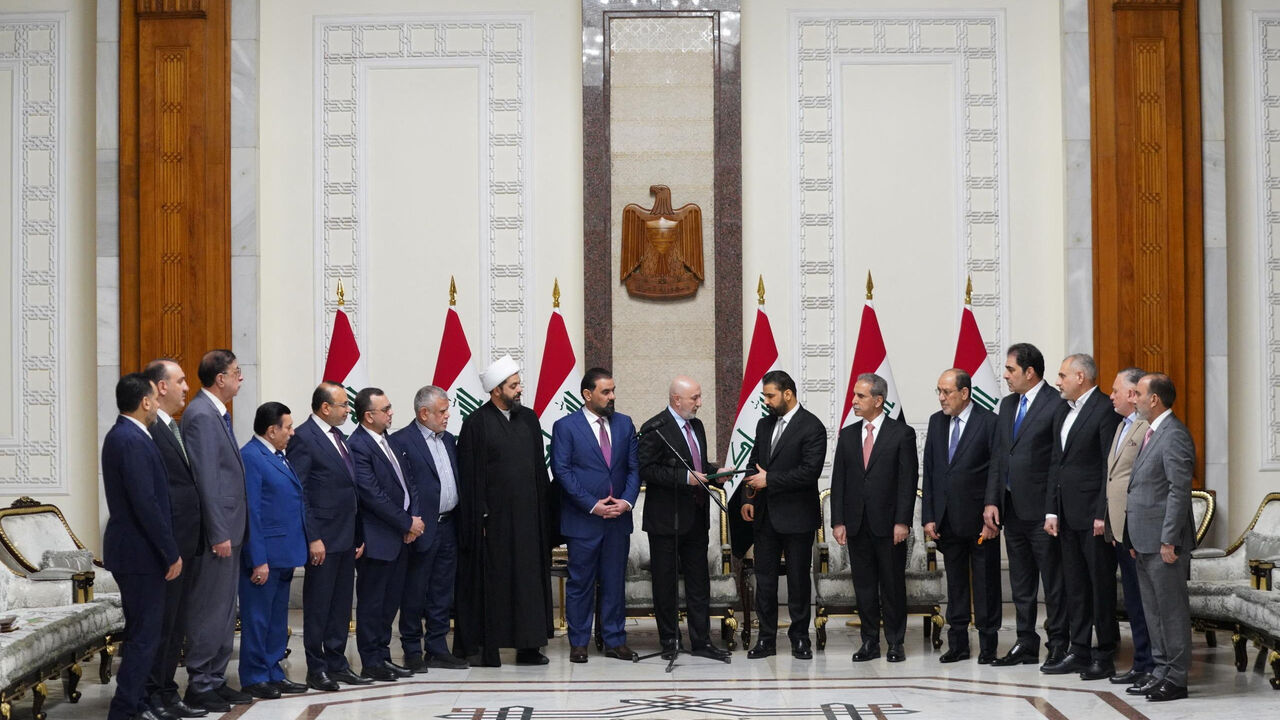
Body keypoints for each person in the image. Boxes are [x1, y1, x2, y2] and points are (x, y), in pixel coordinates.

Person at [454, 355, 555, 667]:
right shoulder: (476, 424)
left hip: (528, 521)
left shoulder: (529, 419)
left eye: (518, 384)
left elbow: (540, 470)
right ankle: (489, 647)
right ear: (496, 391)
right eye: (513, 386)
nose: (519, 390)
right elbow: (470, 478)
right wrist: (480, 515)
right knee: (495, 585)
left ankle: (529, 646)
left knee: (528, 583)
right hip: (493, 524)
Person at [983, 342, 1069, 668]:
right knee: (1021, 583)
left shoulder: (1055, 404)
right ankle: (1026, 642)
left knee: (1053, 581)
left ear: (1029, 372)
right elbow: (998, 458)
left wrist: (1052, 509)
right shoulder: (1007, 406)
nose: (1005, 376)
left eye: (1010, 370)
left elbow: (1057, 464)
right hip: (1011, 509)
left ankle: (1059, 643)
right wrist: (991, 500)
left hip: (1043, 513)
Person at [102, 373, 182, 720]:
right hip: (139, 553)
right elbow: (145, 503)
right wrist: (170, 551)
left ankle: (137, 703)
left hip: (136, 551)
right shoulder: (130, 439)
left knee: (144, 633)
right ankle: (125, 710)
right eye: (154, 398)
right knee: (144, 637)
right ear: (146, 401)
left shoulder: (127, 434)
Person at [637, 376, 732, 661]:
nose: (700, 403)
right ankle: (669, 640)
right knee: (665, 583)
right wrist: (683, 478)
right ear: (677, 400)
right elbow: (646, 469)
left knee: (698, 582)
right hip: (666, 520)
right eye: (695, 398)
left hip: (696, 518)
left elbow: (696, 466)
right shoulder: (655, 428)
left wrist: (716, 473)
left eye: (700, 397)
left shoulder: (697, 426)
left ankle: (701, 641)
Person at [551, 368, 641, 663]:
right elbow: (562, 471)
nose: (612, 396)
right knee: (581, 583)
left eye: (613, 390)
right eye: (606, 392)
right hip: (583, 520)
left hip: (618, 519)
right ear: (587, 395)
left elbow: (633, 468)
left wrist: (626, 501)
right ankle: (579, 643)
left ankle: (615, 640)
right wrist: (592, 504)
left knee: (615, 582)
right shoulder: (565, 427)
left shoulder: (625, 424)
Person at [181, 349, 252, 712]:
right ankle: (200, 683)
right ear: (219, 378)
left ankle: (216, 678)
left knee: (226, 609)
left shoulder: (217, 414)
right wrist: (219, 531)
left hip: (232, 527)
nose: (241, 378)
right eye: (236, 372)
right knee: (210, 608)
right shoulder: (201, 416)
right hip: (219, 533)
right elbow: (206, 479)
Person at [286, 382, 370, 691]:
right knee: (319, 605)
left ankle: (337, 663)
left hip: (346, 536)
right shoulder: (304, 439)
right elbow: (301, 492)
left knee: (340, 605)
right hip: (322, 538)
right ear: (325, 408)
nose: (349, 409)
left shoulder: (340, 438)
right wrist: (313, 537)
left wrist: (357, 533)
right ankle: (316, 667)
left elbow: (349, 488)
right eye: (344, 404)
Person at [1043, 354, 1122, 678]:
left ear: (1080, 376)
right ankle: (1078, 650)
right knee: (1074, 585)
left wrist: (1103, 513)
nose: (1058, 381)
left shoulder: (1105, 409)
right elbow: (1056, 463)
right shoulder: (1064, 410)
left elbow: (1110, 465)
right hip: (1066, 515)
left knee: (1099, 586)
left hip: (1094, 518)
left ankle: (1104, 654)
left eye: (1062, 375)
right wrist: (1051, 509)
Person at [831, 373, 918, 663]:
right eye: (854, 395)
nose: (854, 401)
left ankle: (895, 642)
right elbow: (839, 480)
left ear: (878, 400)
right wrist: (838, 521)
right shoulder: (848, 434)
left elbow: (908, 481)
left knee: (892, 585)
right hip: (856, 524)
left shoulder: (901, 434)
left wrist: (902, 521)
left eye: (861, 396)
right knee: (864, 586)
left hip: (889, 524)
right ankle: (869, 641)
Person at [740, 370, 826, 660]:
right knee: (764, 581)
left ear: (787, 394)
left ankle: (800, 638)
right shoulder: (765, 424)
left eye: (770, 395)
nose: (766, 401)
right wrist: (748, 496)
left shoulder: (812, 426)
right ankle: (766, 639)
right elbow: (753, 463)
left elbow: (808, 472)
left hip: (798, 516)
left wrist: (770, 480)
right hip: (765, 516)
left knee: (799, 581)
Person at [140, 360, 208, 719]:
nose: (187, 387)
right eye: (180, 381)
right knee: (162, 625)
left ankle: (167, 691)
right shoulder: (149, 431)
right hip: (167, 547)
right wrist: (167, 548)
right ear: (160, 387)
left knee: (177, 624)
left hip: (187, 542)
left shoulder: (172, 427)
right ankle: (152, 695)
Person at [922, 368, 1001, 664]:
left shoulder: (989, 422)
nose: (941, 398)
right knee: (955, 585)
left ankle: (988, 645)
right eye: (939, 392)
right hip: (946, 520)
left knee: (986, 584)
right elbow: (929, 470)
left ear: (964, 393)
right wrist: (929, 515)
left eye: (947, 392)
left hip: (981, 521)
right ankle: (958, 644)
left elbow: (996, 470)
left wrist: (992, 512)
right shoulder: (936, 422)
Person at [1125, 373, 1195, 702]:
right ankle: (1160, 671)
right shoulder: (1152, 432)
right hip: (1145, 540)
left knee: (1171, 612)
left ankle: (1177, 679)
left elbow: (1178, 491)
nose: (1133, 398)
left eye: (1137, 393)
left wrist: (1169, 540)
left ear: (1154, 399)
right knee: (1153, 611)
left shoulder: (1174, 434)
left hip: (1165, 542)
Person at [390, 385, 469, 671]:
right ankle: (412, 648)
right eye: (442, 411)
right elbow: (398, 488)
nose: (448, 416)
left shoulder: (448, 440)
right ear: (424, 413)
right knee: (414, 591)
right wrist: (408, 521)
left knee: (441, 591)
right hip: (420, 529)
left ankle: (437, 648)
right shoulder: (401, 441)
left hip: (449, 525)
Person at [348, 387, 423, 681]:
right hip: (378, 537)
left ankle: (383, 655)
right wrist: (406, 523)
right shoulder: (358, 445)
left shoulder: (388, 441)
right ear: (369, 415)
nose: (392, 412)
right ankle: (371, 660)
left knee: (390, 602)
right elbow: (372, 495)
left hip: (401, 537)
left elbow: (409, 482)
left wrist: (413, 519)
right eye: (386, 409)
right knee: (372, 603)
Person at [238, 402, 309, 699]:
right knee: (257, 619)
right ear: (272, 430)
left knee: (277, 619)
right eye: (288, 427)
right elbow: (251, 511)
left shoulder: (278, 456)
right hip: (264, 555)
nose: (292, 433)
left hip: (284, 552)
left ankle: (273, 671)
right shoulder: (251, 457)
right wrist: (258, 559)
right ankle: (255, 677)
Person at [1103, 367, 1155, 688]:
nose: (1111, 396)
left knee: (1144, 601)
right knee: (1134, 601)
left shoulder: (1147, 427)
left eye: (1116, 391)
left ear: (1133, 394)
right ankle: (1140, 662)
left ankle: (1150, 663)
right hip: (1120, 528)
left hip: (1138, 527)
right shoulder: (1120, 426)